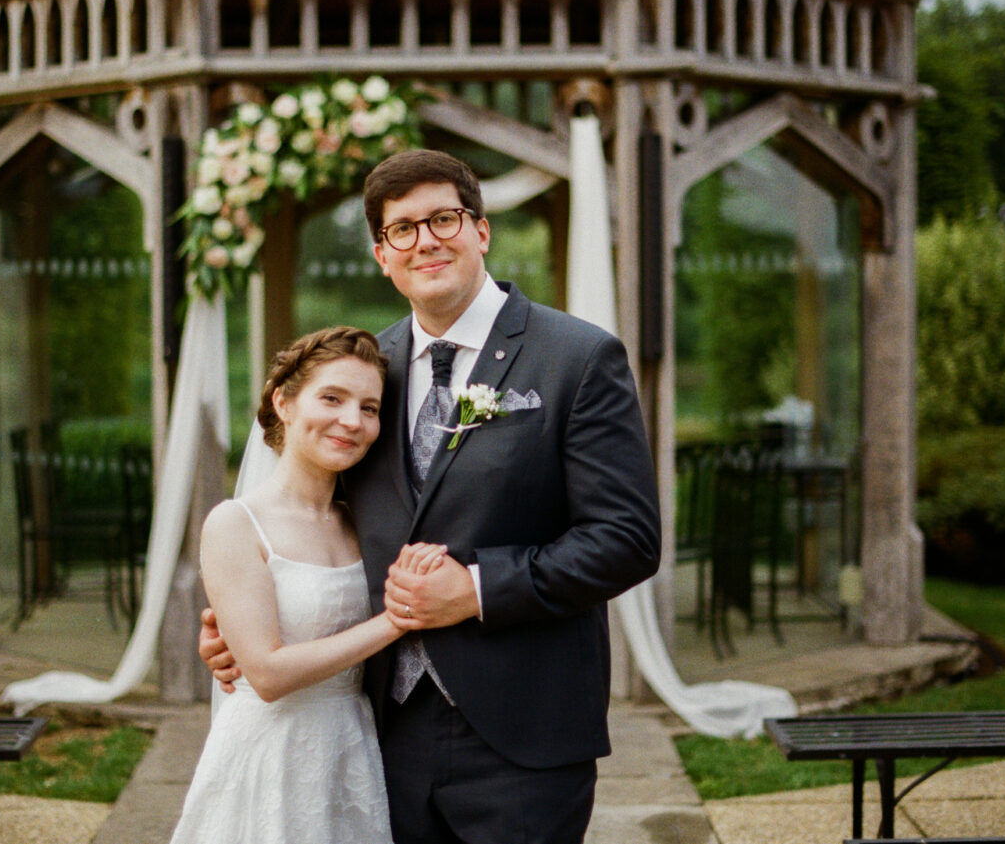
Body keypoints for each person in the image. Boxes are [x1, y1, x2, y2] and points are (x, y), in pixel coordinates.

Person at [201, 149, 661, 844]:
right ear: (383, 254)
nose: (427, 240)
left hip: (524, 738)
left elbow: (626, 539)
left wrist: (475, 588)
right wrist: (255, 620)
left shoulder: (577, 358)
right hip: (382, 733)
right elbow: (326, 519)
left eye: (443, 218)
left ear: (480, 230)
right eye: (403, 229)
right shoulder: (367, 375)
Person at [171, 326, 448, 844]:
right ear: (284, 402)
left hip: (352, 750)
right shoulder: (236, 523)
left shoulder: (364, 525)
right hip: (270, 756)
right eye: (332, 398)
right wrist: (395, 620)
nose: (352, 421)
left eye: (369, 408)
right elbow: (269, 675)